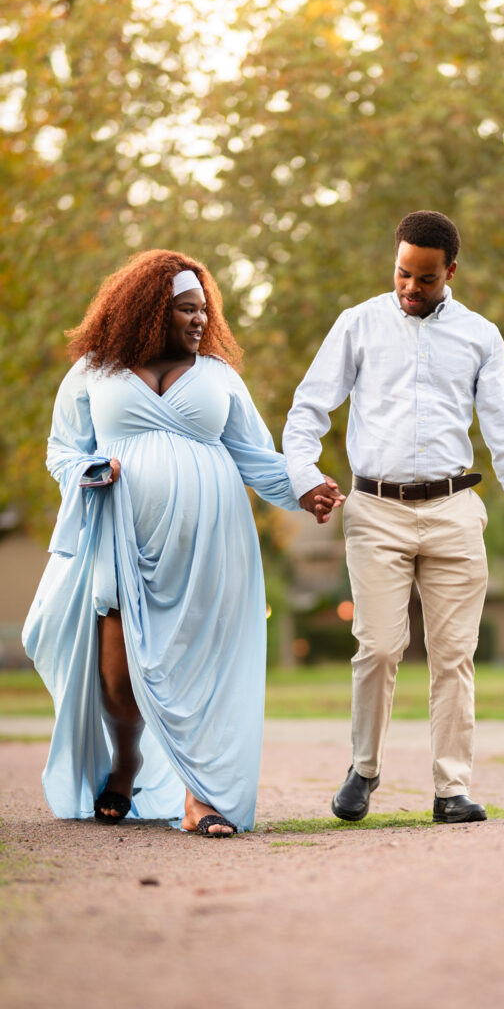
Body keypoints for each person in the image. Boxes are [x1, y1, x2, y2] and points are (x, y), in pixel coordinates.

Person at [23, 250, 341, 836]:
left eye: (203, 309)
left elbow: (252, 455)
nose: (200, 320)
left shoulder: (219, 376)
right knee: (118, 682)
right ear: (148, 312)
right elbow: (62, 450)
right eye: (185, 309)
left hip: (209, 549)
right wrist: (90, 470)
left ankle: (202, 798)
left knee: (203, 670)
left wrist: (303, 490)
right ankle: (127, 762)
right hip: (120, 543)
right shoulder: (95, 371)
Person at [283, 210, 504, 824]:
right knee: (377, 647)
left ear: (449, 272)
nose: (410, 287)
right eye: (403, 273)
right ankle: (364, 768)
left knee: (454, 655)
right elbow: (307, 410)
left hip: (455, 509)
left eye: (425, 279)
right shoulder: (358, 324)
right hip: (375, 510)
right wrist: (304, 478)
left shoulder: (481, 336)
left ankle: (450, 789)